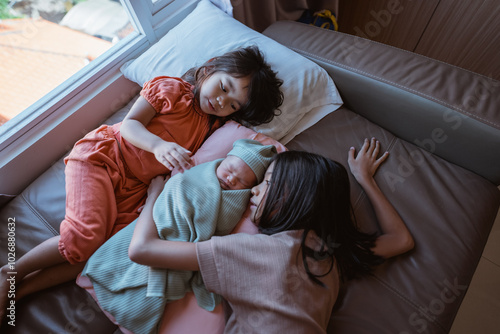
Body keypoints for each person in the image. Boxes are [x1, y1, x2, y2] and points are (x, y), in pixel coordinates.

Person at [0, 45, 284, 319]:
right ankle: (11, 272)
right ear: (209, 69)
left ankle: (17, 292)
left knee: (98, 253)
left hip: (135, 189)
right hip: (103, 157)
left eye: (232, 105)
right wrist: (158, 146)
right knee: (85, 238)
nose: (221, 101)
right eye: (224, 87)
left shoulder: (213, 127)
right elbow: (131, 124)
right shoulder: (171, 90)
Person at [128, 138, 415, 333]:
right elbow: (401, 240)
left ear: (298, 196)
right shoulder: (330, 255)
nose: (253, 190)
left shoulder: (254, 250)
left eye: (267, 183)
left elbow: (141, 249)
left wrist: (156, 196)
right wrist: (365, 179)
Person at [81, 139, 277, 334]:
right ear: (222, 161)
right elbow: (177, 189)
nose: (232, 179)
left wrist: (153, 197)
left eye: (242, 181)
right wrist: (157, 196)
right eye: (230, 169)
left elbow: (217, 229)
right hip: (152, 233)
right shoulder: (193, 177)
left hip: (174, 249)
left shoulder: (235, 206)